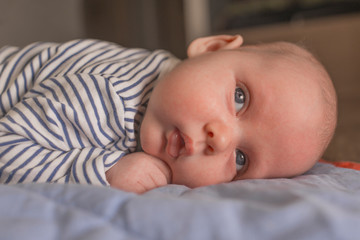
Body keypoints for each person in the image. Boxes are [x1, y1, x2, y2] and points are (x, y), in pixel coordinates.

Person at [0, 35, 337, 193]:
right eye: (239, 98)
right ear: (212, 48)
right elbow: (6, 150)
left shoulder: (171, 89)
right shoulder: (106, 97)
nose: (219, 139)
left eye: (240, 160)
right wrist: (106, 170)